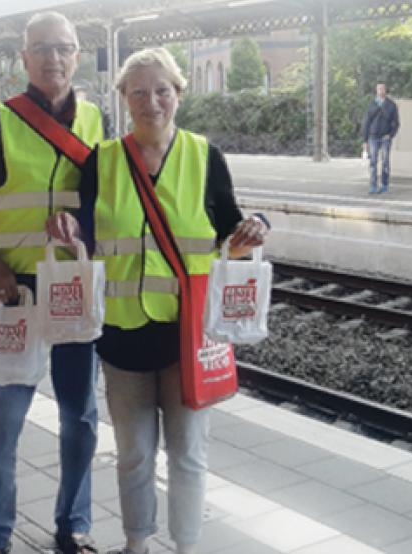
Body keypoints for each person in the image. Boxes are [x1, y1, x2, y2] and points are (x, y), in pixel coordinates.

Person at [46, 48, 268, 554]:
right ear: (124, 99)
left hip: (189, 335)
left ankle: (187, 546)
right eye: (139, 92)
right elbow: (83, 229)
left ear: (179, 95)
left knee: (188, 453)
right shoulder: (101, 161)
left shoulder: (203, 156)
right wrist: (64, 229)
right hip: (123, 337)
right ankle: (136, 543)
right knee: (133, 455)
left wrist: (258, 227)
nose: (152, 102)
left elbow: (231, 225)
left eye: (162, 90)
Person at [0, 11, 104, 554]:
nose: (53, 58)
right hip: (17, 294)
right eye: (41, 48)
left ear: (78, 54)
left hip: (73, 288)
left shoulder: (98, 123)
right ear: (24, 59)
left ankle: (73, 526)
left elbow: (107, 205)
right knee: (5, 418)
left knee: (79, 416)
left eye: (63, 47)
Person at [361, 82, 400, 194]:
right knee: (373, 162)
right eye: (379, 89)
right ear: (376, 91)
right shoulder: (372, 104)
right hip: (373, 137)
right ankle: (373, 185)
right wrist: (365, 140)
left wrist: (391, 135)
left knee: (385, 162)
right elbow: (366, 122)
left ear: (385, 90)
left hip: (385, 138)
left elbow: (396, 123)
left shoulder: (391, 105)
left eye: (383, 88)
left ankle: (384, 184)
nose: (381, 91)